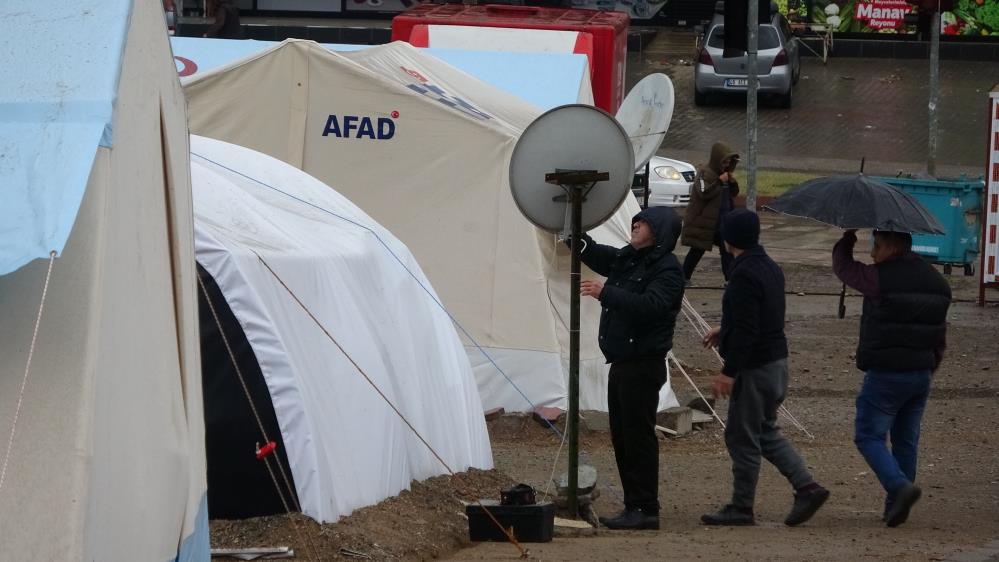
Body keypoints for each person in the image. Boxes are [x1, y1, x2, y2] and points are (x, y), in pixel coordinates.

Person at [701, 209, 829, 527]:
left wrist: (728, 371)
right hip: (776, 362)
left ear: (729, 238)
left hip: (755, 368)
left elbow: (748, 329)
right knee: (764, 430)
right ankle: (807, 487)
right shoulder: (768, 266)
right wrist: (725, 329)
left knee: (742, 436)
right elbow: (761, 314)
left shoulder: (744, 274)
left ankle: (742, 507)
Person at [572, 206, 685, 530]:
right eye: (637, 219)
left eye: (644, 222)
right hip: (622, 363)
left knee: (637, 439)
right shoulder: (628, 258)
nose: (635, 224)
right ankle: (634, 505)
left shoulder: (667, 270)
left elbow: (652, 306)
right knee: (623, 438)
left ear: (659, 232)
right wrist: (569, 231)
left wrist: (606, 292)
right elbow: (594, 253)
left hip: (643, 365)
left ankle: (645, 507)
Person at [832, 229, 951, 527]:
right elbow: (940, 334)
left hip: (886, 372)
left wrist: (847, 239)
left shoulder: (879, 279)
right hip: (921, 373)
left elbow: (844, 269)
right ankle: (895, 507)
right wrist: (930, 366)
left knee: (868, 435)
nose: (872, 254)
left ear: (891, 248)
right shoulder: (939, 283)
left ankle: (898, 487)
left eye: (876, 247)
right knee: (905, 441)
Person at [681, 142, 740, 286]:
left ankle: (730, 279)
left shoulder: (725, 176)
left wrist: (732, 182)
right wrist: (719, 182)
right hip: (705, 222)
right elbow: (704, 192)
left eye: (729, 162)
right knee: (697, 250)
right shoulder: (704, 173)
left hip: (722, 222)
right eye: (724, 161)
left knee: (726, 252)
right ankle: (683, 277)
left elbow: (734, 194)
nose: (726, 165)